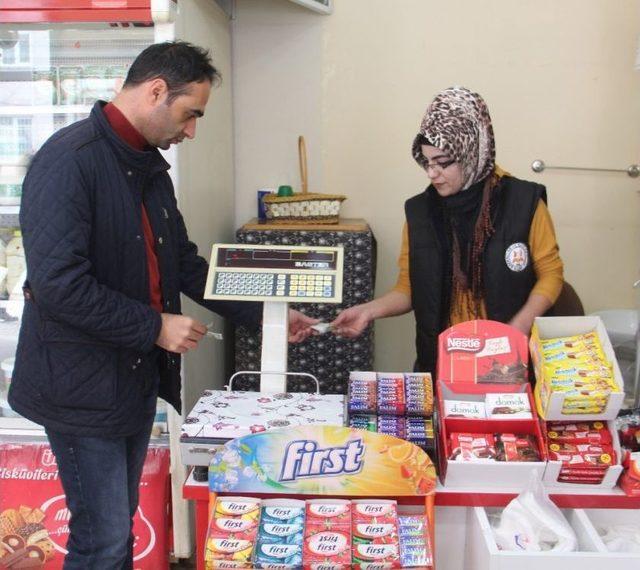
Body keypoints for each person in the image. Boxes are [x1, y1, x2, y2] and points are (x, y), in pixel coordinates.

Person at [8, 41, 316, 569]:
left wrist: (267, 314)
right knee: (101, 539)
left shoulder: (147, 168)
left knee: (114, 529)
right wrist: (153, 326)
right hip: (79, 387)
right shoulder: (69, 161)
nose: (191, 130)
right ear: (155, 91)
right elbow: (58, 285)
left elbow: (186, 264)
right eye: (189, 113)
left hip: (128, 380)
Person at [332, 86, 564, 374]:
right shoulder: (420, 212)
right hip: (444, 364)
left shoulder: (523, 202)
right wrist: (368, 311)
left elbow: (551, 274)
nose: (432, 173)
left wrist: (517, 329)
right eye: (426, 163)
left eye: (443, 163)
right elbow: (409, 289)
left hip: (509, 362)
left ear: (470, 151)